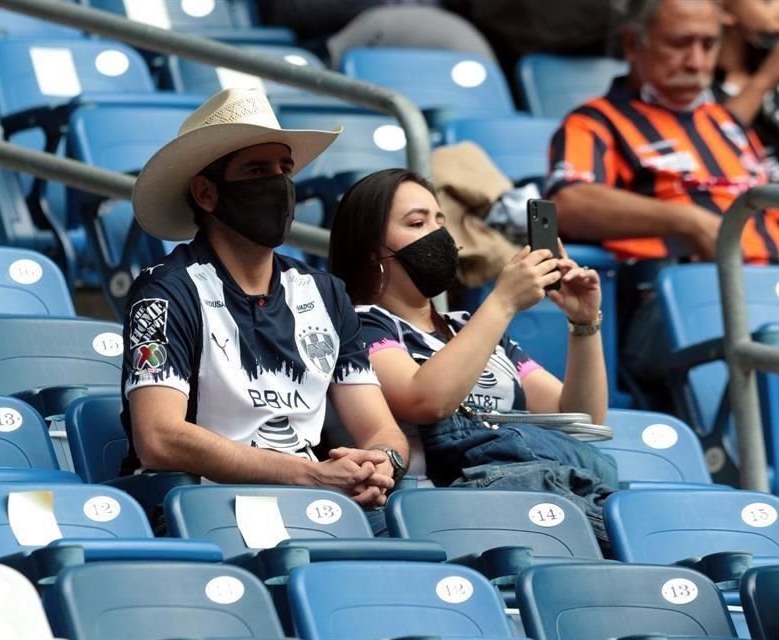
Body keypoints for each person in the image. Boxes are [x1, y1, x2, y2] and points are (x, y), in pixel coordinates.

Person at [120, 88, 409, 510]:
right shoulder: (164, 292)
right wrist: (310, 474)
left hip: (316, 506)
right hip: (206, 507)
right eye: (257, 171)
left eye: (285, 169)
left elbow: (381, 428)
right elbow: (158, 438)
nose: (278, 185)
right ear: (206, 193)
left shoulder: (326, 292)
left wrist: (382, 464)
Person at [328, 168, 616, 541]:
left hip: (517, 497)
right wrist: (503, 301)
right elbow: (425, 401)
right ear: (370, 249)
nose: (437, 234)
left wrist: (584, 325)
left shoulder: (469, 327)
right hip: (428, 512)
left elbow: (580, 417)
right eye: (417, 223)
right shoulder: (359, 325)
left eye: (440, 221)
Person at [547, 0, 779, 265]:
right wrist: (686, 220)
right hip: (687, 292)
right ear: (633, 44)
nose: (696, 62)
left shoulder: (723, 122)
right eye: (679, 44)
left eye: (708, 45)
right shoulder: (596, 121)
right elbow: (568, 203)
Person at [714, 0, 779, 179]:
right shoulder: (699, 83)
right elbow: (712, 140)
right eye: (767, 1)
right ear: (725, 9)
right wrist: (765, 80)